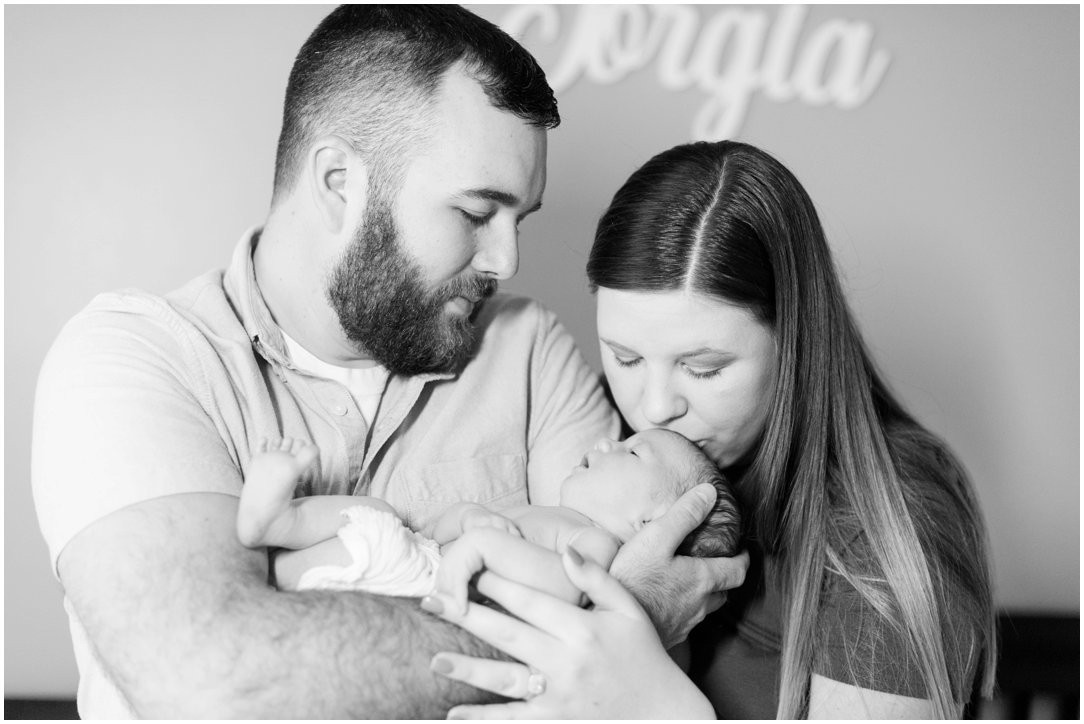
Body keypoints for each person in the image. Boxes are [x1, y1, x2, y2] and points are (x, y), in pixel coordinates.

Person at [31, 6, 748, 718]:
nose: (507, 261)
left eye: (518, 219)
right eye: (475, 214)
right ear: (340, 183)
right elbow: (217, 685)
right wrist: (621, 626)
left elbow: (643, 648)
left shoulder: (528, 350)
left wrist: (628, 630)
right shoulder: (138, 358)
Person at [423, 140, 998, 719]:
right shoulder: (607, 433)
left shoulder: (890, 522)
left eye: (704, 369)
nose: (652, 408)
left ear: (794, 342)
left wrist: (655, 695)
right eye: (625, 357)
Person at [236, 429, 742, 609]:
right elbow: (441, 527)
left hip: (426, 584)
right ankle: (275, 525)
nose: (608, 442)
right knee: (377, 513)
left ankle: (274, 546)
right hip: (423, 554)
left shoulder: (597, 546)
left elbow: (565, 589)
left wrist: (481, 546)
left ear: (651, 524)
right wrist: (470, 517)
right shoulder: (553, 514)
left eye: (633, 454)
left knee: (362, 539)